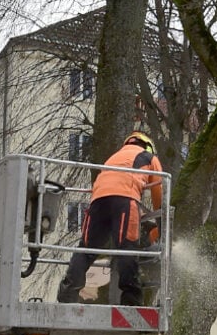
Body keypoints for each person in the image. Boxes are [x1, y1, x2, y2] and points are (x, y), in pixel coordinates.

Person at [57, 131, 163, 306]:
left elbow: (113, 188)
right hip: (125, 201)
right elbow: (158, 194)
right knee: (126, 248)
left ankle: (68, 293)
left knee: (86, 249)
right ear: (148, 145)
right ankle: (131, 297)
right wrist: (161, 223)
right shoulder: (148, 157)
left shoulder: (113, 158)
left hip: (97, 202)